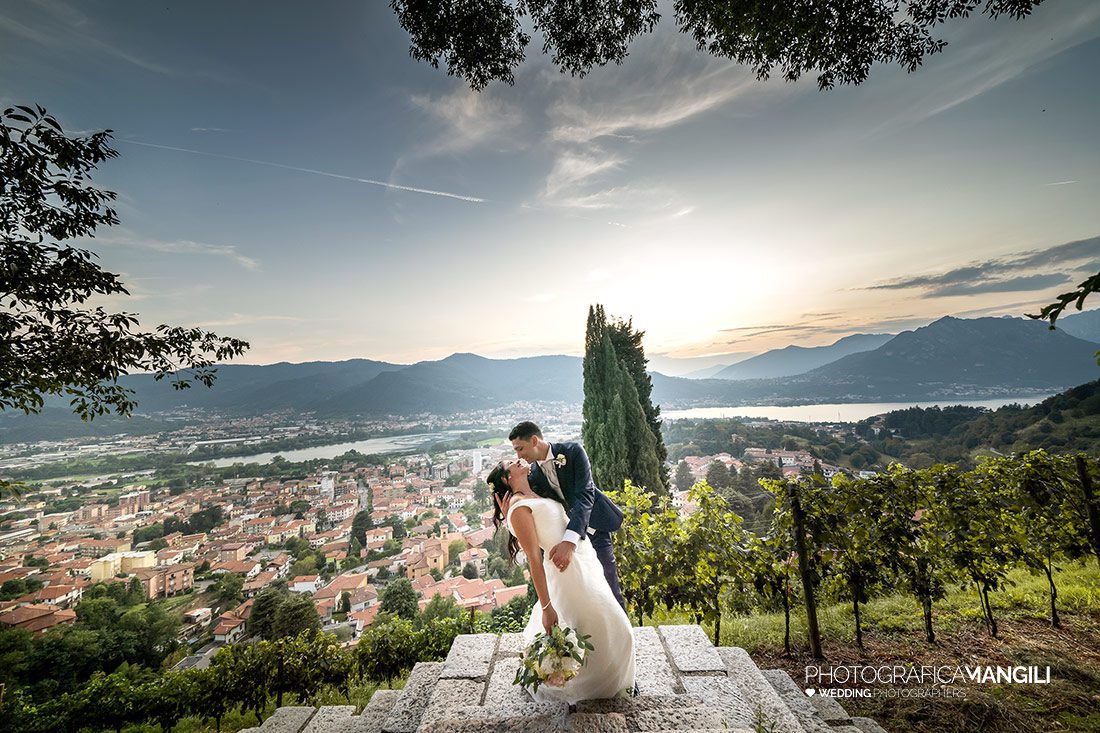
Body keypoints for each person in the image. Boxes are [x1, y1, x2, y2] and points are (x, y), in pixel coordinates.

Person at [488, 459, 635, 703]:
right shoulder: (518, 506)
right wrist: (547, 607)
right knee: (618, 628)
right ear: (506, 479)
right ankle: (589, 689)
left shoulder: (533, 489)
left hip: (583, 563)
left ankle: (607, 687)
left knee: (596, 628)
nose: (518, 460)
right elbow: (534, 560)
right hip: (567, 573)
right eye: (512, 463)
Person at [507, 421, 628, 611]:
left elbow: (585, 494)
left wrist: (570, 541)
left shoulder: (573, 451)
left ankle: (624, 638)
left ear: (534, 440)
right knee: (582, 593)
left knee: (609, 586)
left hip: (595, 528)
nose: (519, 456)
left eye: (520, 449)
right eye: (516, 451)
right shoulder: (533, 475)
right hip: (562, 537)